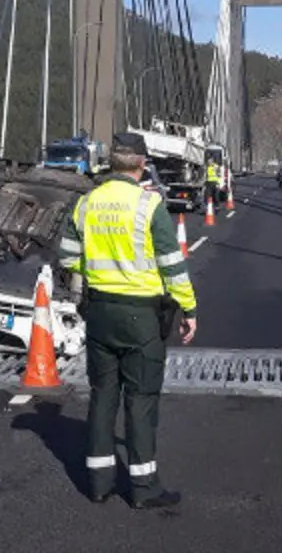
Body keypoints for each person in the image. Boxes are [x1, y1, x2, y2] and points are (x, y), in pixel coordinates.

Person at [59, 131, 198, 509]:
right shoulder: (148, 205)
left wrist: (98, 273)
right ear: (141, 163)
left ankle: (99, 484)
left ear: (111, 162)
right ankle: (143, 488)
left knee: (103, 396)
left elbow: (68, 258)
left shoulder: (86, 203)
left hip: (100, 312)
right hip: (141, 317)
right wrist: (188, 309)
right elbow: (172, 265)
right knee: (141, 400)